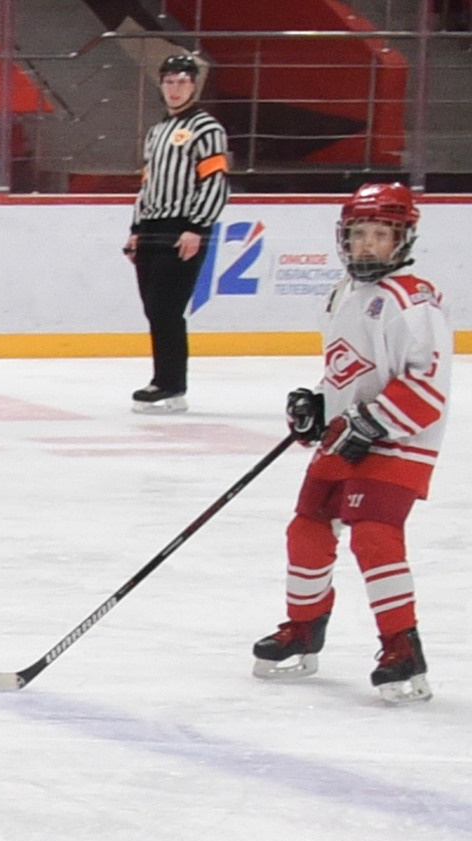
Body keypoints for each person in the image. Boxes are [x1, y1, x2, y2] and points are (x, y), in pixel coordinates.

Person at [256, 183, 451, 703]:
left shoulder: (415, 301)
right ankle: (304, 626)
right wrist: (318, 406)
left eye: (380, 235)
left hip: (401, 440)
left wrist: (371, 422)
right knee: (307, 527)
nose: (367, 245)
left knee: (374, 534)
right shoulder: (342, 293)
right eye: (359, 234)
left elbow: (427, 388)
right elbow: (345, 372)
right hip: (348, 436)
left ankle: (402, 647)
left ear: (402, 239)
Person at [124, 52, 231, 412]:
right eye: (169, 82)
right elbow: (148, 184)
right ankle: (165, 380)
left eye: (182, 82)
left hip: (182, 226)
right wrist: (136, 228)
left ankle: (170, 384)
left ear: (194, 85)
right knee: (153, 308)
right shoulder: (156, 132)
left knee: (166, 307)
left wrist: (196, 227)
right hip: (152, 227)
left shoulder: (207, 128)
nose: (174, 89)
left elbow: (216, 182)